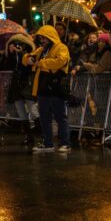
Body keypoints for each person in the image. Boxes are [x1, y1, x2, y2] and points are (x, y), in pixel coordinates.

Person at [24, 25, 71, 153]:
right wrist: (29, 59)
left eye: (44, 38)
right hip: (43, 87)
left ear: (50, 37)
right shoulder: (42, 49)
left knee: (60, 116)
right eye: (41, 38)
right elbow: (28, 57)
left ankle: (65, 143)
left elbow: (61, 61)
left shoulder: (61, 47)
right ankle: (48, 143)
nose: (42, 40)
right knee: (44, 117)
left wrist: (41, 63)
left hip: (56, 86)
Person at [6, 36, 39, 145]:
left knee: (33, 110)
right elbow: (7, 66)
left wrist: (19, 53)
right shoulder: (12, 55)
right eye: (15, 43)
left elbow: (27, 65)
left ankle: (43, 136)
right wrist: (10, 53)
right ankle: (29, 137)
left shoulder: (30, 53)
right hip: (16, 85)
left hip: (27, 84)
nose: (17, 45)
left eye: (19, 43)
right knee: (21, 112)